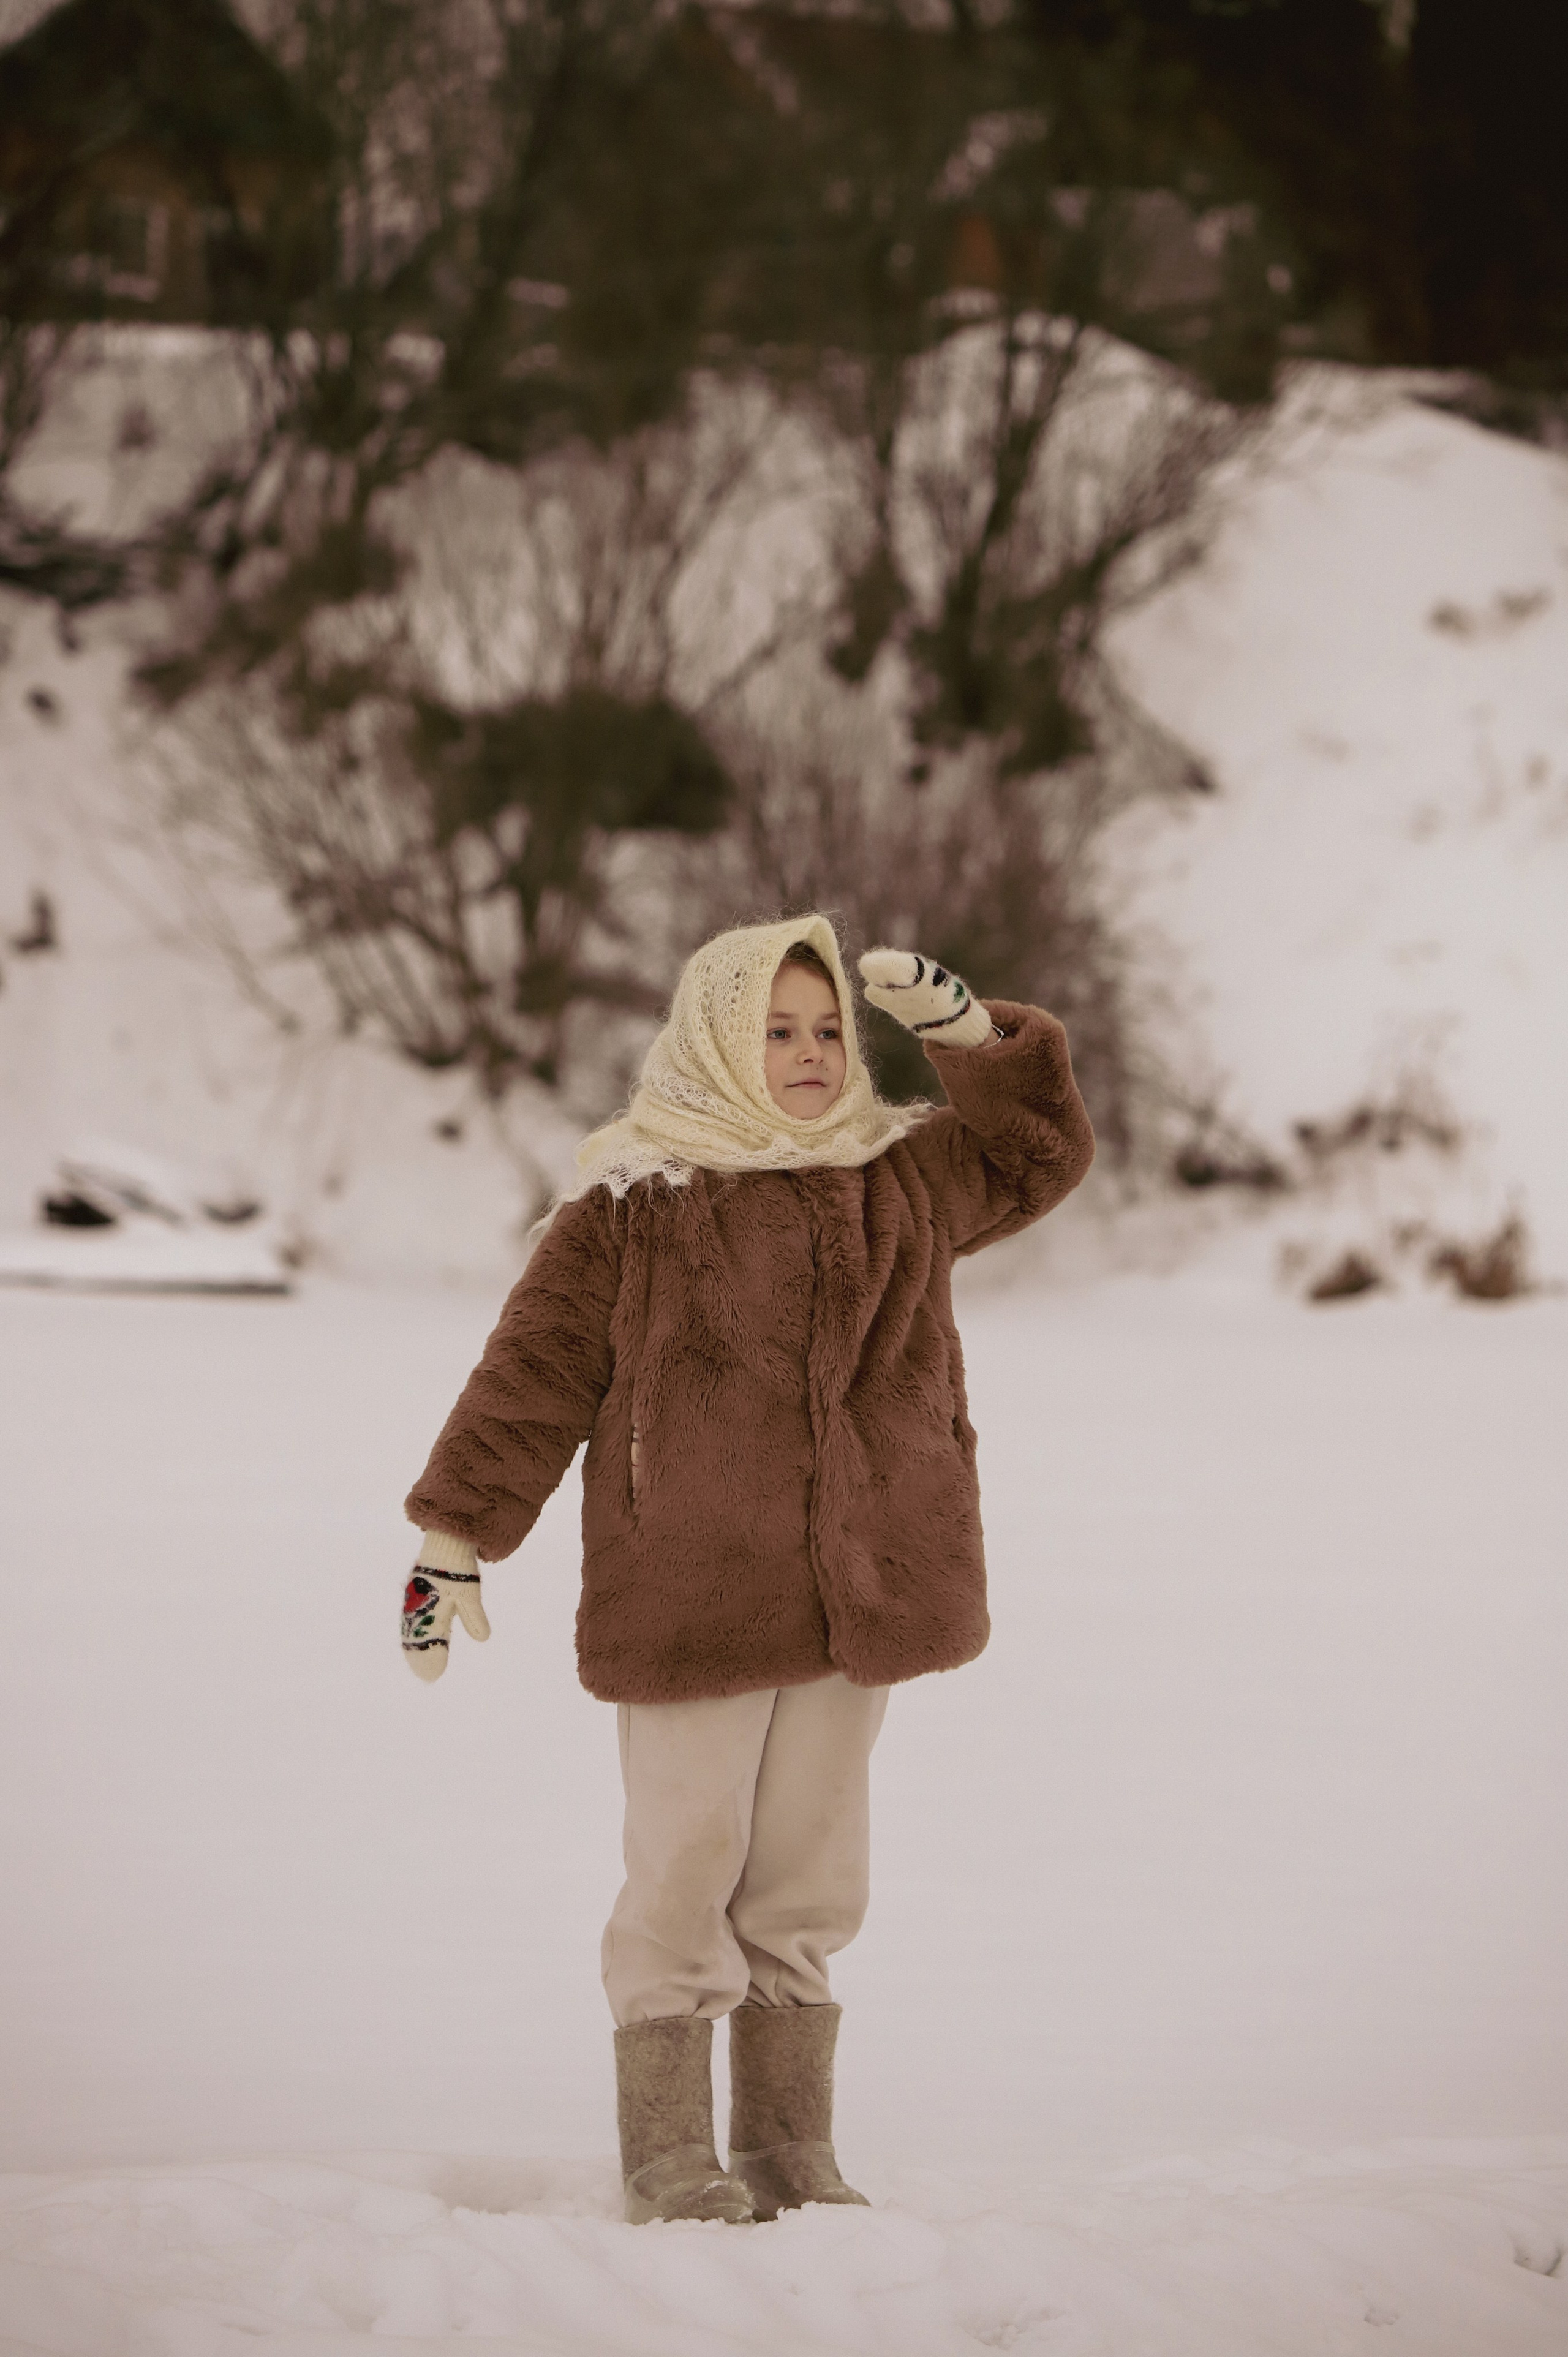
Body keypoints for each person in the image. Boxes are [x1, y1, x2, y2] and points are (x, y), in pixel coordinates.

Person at [400, 915, 1095, 2225]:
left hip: (861, 1592)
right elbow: (532, 1375)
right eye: (776, 1031)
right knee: (684, 1862)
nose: (810, 1053)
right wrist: (454, 1536)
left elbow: (1035, 1149)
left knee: (808, 1874)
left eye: (828, 1028)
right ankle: (668, 2153)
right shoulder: (636, 1202)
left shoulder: (897, 1176)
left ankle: (787, 2147)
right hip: (694, 1595)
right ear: (716, 1037)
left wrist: (965, 1038)